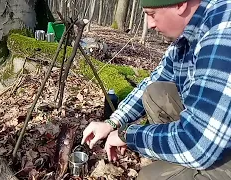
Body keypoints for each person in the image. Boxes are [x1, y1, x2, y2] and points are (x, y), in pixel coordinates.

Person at [81, 0, 231, 179]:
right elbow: (154, 80)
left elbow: (198, 142)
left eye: (152, 14)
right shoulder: (187, 37)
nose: (150, 24)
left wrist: (128, 136)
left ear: (180, 4)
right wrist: (112, 122)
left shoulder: (222, 34)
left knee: (148, 177)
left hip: (210, 142)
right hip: (210, 133)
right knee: (156, 92)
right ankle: (178, 160)